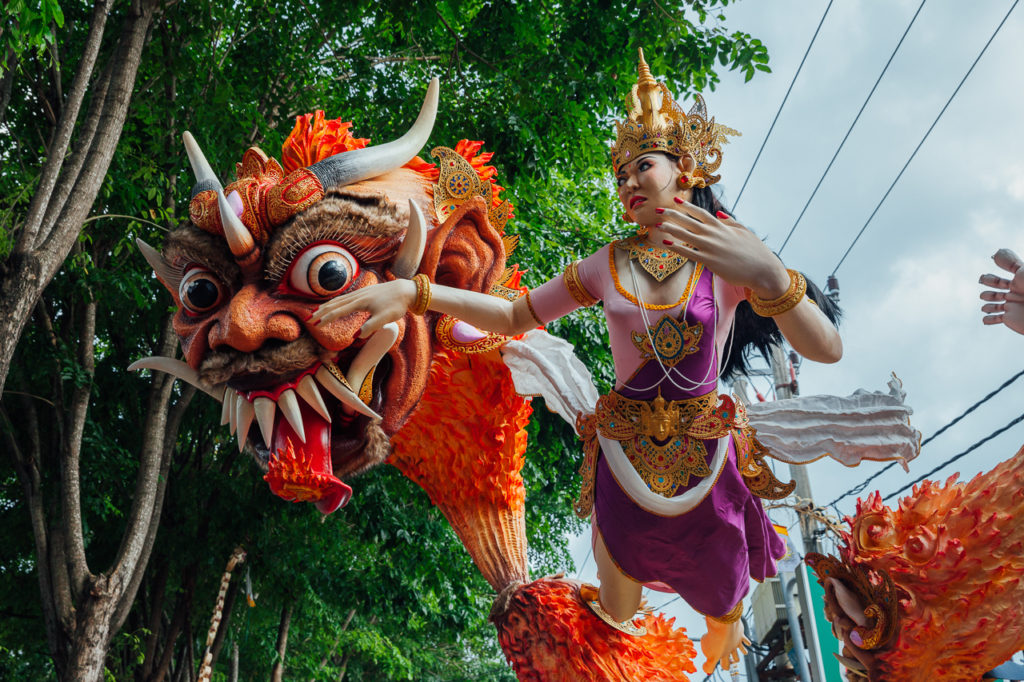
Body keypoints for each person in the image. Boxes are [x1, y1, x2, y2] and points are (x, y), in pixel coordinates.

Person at [313, 48, 842, 674]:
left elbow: (825, 349)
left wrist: (767, 273)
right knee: (615, 606)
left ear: (685, 168)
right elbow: (514, 317)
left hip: (708, 454)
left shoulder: (728, 254)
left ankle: (721, 627)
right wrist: (416, 292)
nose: (628, 186)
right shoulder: (607, 264)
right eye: (620, 176)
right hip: (624, 457)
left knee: (724, 596)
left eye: (642, 167)